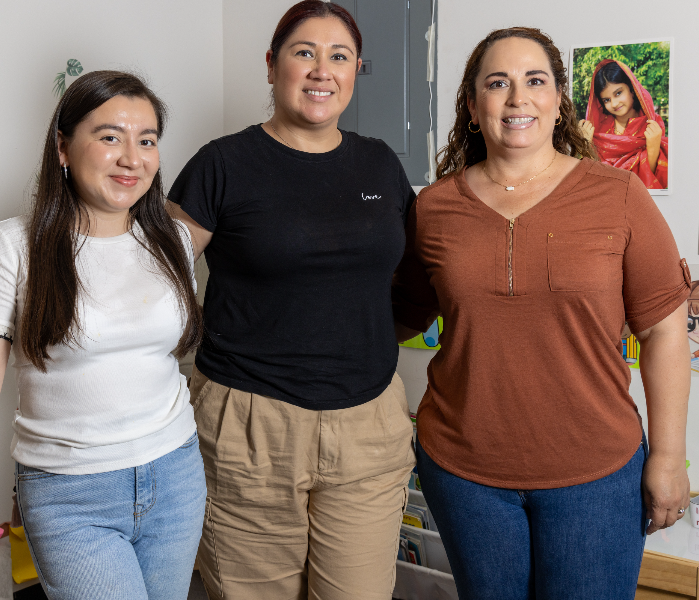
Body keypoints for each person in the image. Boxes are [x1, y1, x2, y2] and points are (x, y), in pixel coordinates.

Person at [392, 27, 691, 600]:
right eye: (497, 83)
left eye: (535, 81)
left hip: (598, 475)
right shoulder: (433, 208)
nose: (517, 98)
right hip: (463, 474)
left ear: (559, 102)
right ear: (473, 106)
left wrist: (669, 457)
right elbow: (398, 317)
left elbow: (662, 331)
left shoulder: (620, 195)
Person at [0, 71, 205, 600]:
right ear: (63, 147)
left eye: (147, 140)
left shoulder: (173, 239)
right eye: (110, 137)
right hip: (70, 493)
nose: (132, 158)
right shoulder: (14, 245)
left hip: (176, 474)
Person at [167, 2, 416, 598]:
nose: (321, 70)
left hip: (369, 423)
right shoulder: (222, 164)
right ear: (272, 65)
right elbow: (155, 280)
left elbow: (417, 277)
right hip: (249, 426)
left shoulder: (380, 162)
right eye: (304, 52)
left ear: (355, 71)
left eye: (340, 56)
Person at [579, 59, 668, 189]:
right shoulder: (597, 132)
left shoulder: (652, 127)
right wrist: (584, 146)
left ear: (632, 89)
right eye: (607, 100)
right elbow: (591, 180)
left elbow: (659, 180)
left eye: (618, 93)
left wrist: (653, 148)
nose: (614, 104)